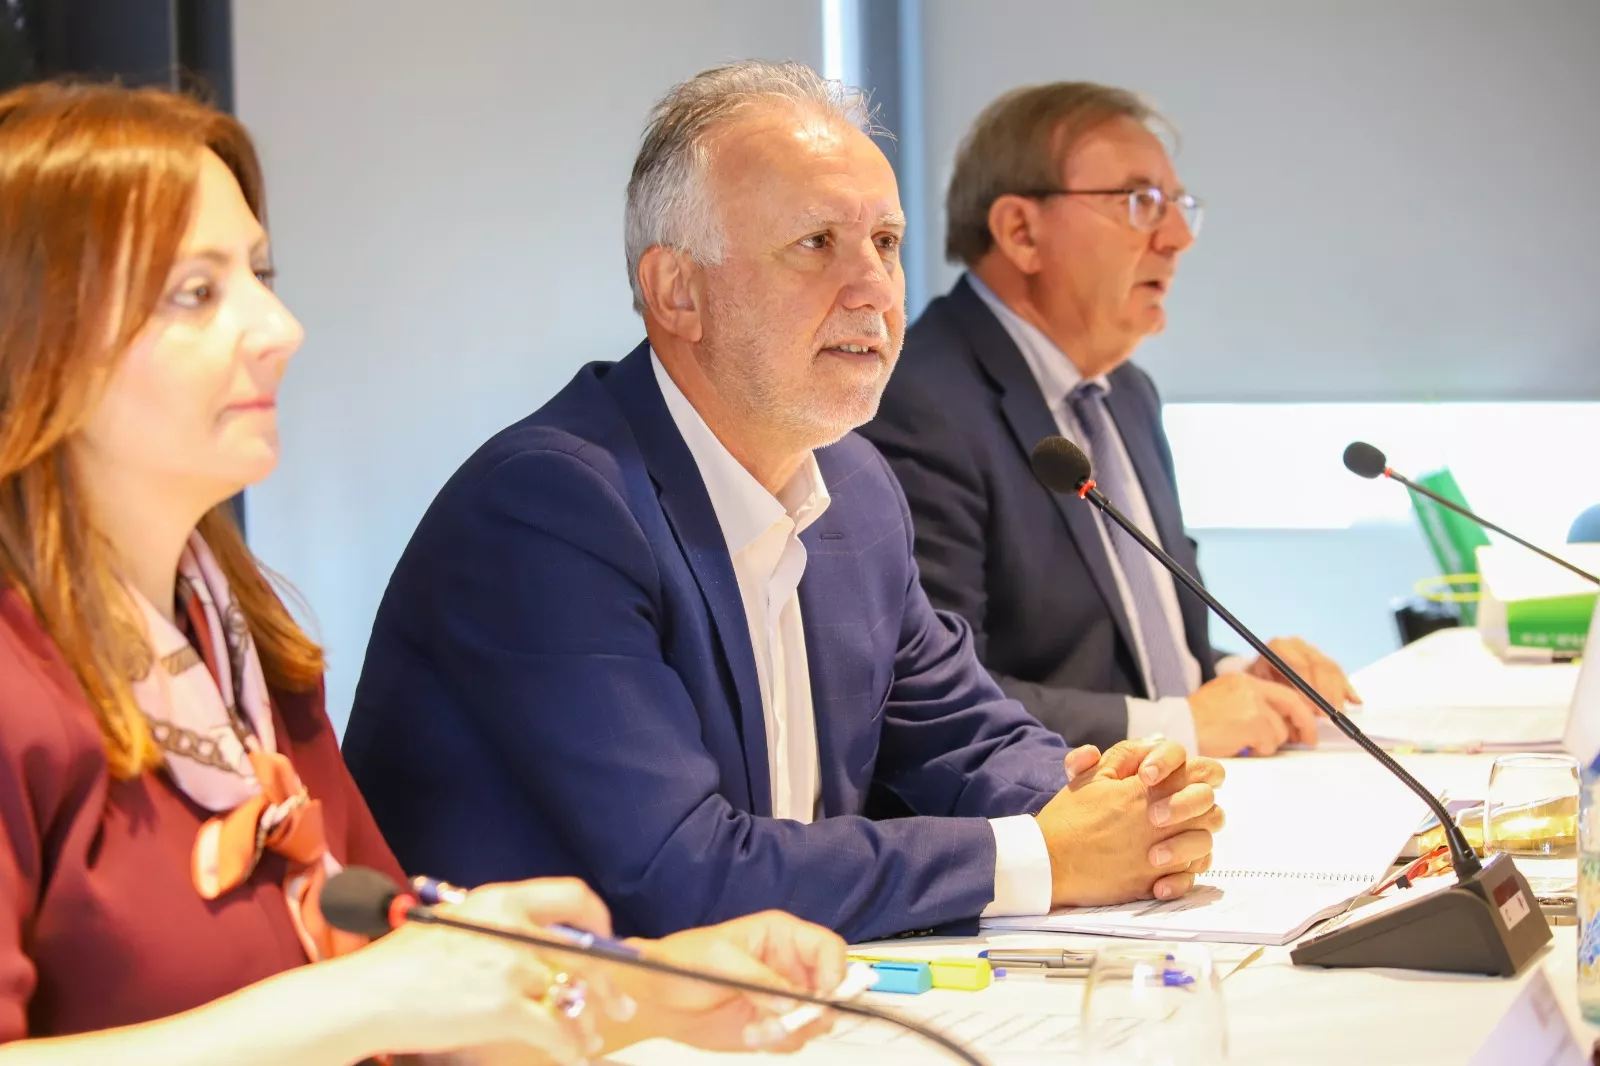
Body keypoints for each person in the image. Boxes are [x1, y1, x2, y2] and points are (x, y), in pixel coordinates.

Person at [0, 81, 849, 1062]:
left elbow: (389, 986)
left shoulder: (236, 638)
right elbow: (362, 1002)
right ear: (31, 339)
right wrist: (370, 999)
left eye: (258, 273)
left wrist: (643, 991)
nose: (279, 328)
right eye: (196, 292)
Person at [343, 60, 1225, 946]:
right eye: (816, 244)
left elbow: (965, 735)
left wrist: (1116, 801)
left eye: (884, 242)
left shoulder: (856, 489)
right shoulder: (550, 511)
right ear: (676, 291)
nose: (874, 288)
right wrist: (1042, 857)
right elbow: (680, 877)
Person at [860, 82, 1358, 759]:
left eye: (1179, 206)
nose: (1177, 238)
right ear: (1021, 232)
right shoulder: (917, 403)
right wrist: (1181, 726)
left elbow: (1134, 653)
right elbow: (931, 697)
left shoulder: (1126, 393)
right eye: (1139, 202)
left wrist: (1243, 678)